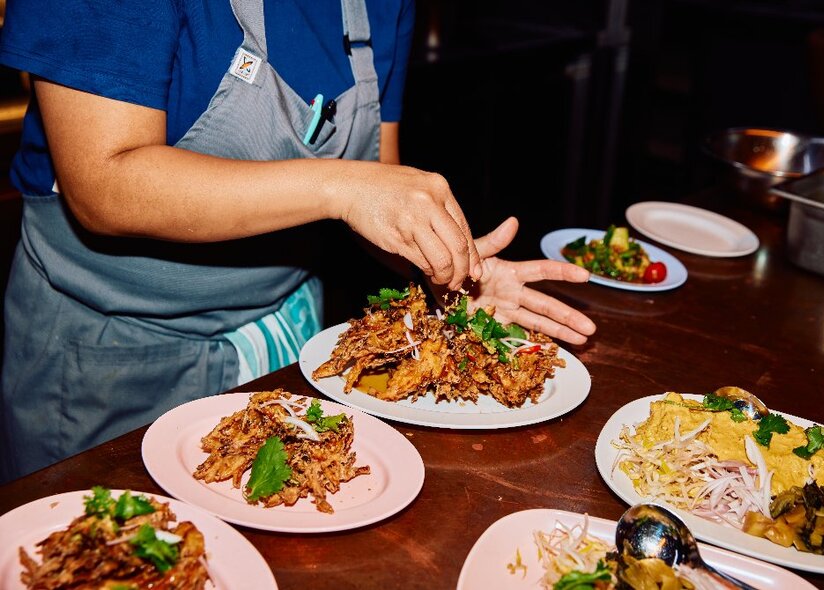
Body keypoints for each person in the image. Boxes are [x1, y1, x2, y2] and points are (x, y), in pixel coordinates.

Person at [0, 0, 596, 482]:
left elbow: (375, 184)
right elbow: (103, 184)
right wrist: (340, 186)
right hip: (110, 360)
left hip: (287, 350)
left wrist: (447, 270)